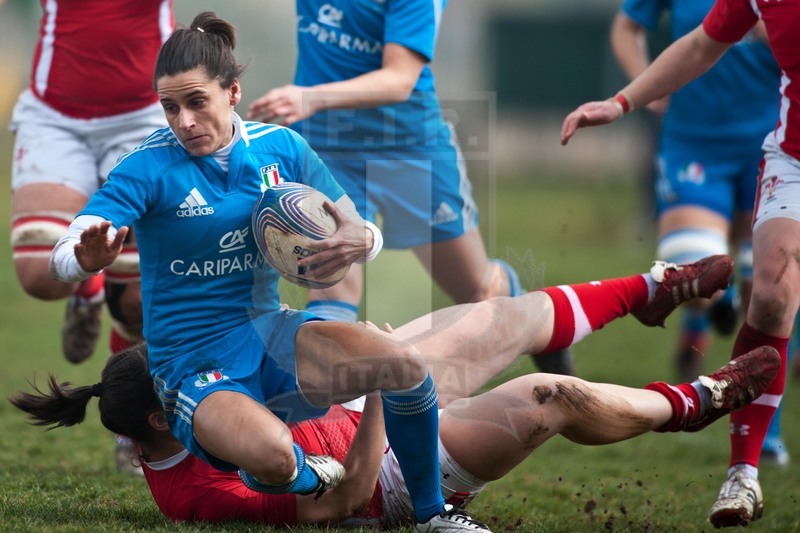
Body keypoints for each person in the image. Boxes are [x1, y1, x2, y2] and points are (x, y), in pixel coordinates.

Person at [48, 11, 499, 531]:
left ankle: (432, 516)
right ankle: (305, 477)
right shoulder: (146, 167)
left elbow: (352, 223)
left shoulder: (282, 147)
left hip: (271, 331)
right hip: (190, 365)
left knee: (403, 366)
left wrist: (363, 240)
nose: (184, 121)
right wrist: (82, 258)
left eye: (197, 102)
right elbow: (68, 245)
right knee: (274, 457)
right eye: (170, 107)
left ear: (233, 92)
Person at [10, 271, 781, 528]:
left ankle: (649, 291)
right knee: (552, 396)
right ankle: (700, 396)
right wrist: (385, 386)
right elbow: (342, 498)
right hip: (392, 473)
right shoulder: (202, 491)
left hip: (359, 404)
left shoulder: (189, 406)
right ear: (159, 419)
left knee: (503, 312)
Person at [561, 0, 797, 526]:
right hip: (739, 146)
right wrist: (625, 99)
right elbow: (689, 41)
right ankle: (744, 470)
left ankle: (763, 421)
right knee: (751, 283)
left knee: (770, 282)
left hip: (757, 135)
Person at [246, 0, 574, 375]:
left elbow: (399, 80)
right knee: (331, 285)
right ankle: (336, 416)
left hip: (409, 148)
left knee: (477, 293)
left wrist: (309, 96)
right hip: (329, 147)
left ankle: (531, 311)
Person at [8, 0, 175, 474]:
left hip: (147, 113)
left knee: (141, 302)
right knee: (39, 278)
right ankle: (88, 282)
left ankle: (133, 427)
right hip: (55, 115)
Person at [609, 0, 779, 383]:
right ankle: (710, 311)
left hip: (771, 142)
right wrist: (644, 86)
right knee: (696, 275)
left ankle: (757, 417)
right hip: (694, 144)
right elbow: (627, 26)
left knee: (766, 287)